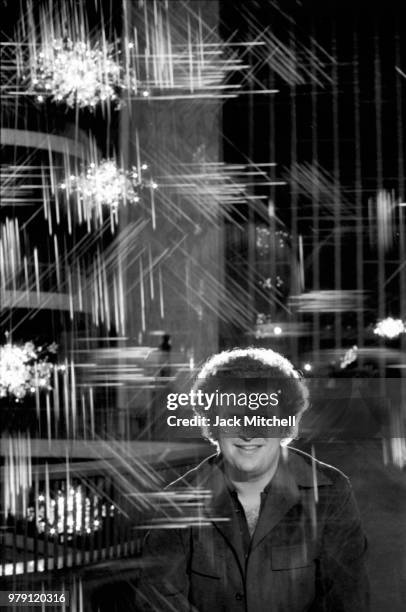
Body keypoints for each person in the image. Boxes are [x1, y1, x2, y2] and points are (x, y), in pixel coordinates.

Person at [136, 348, 369, 611]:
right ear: (213, 424)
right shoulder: (178, 502)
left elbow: (347, 600)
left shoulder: (330, 492)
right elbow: (157, 601)